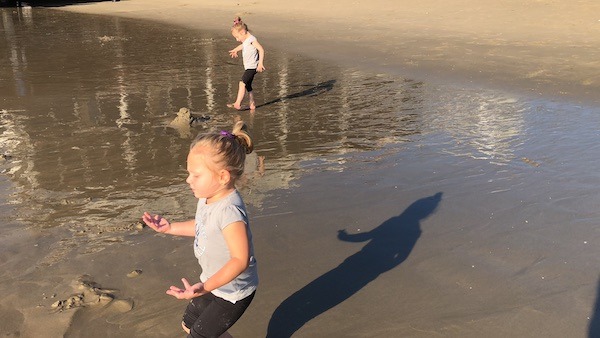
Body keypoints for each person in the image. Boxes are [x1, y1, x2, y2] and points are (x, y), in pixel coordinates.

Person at [142, 121, 258, 338]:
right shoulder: (207, 198)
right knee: (189, 324)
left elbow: (240, 260)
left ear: (223, 176)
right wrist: (170, 228)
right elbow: (202, 227)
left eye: (196, 175)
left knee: (198, 335)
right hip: (210, 283)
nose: (188, 180)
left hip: (232, 293)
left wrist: (205, 287)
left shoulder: (230, 212)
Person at [228, 16, 266, 111]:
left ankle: (237, 103)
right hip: (248, 67)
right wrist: (235, 50)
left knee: (242, 83)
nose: (237, 39)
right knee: (248, 85)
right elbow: (243, 45)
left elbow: (261, 50)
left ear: (243, 32)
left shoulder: (252, 39)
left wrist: (260, 63)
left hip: (252, 67)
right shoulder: (246, 40)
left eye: (237, 37)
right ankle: (252, 104)